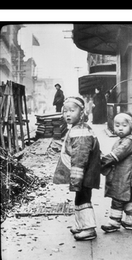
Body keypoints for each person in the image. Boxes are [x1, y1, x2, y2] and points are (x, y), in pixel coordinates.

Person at [53, 97, 101, 241]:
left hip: (84, 173)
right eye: (65, 111)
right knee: (80, 198)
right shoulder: (78, 128)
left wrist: (76, 179)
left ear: (81, 113)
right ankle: (81, 225)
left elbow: (80, 158)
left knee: (83, 199)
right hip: (85, 172)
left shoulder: (80, 132)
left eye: (72, 111)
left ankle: (89, 229)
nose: (68, 114)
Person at [100, 112, 132, 233]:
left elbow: (117, 154)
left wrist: (101, 161)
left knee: (118, 197)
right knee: (126, 198)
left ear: (131, 127)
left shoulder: (129, 141)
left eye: (124, 125)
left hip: (126, 176)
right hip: (124, 175)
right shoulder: (125, 139)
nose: (120, 128)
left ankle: (114, 222)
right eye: (117, 125)